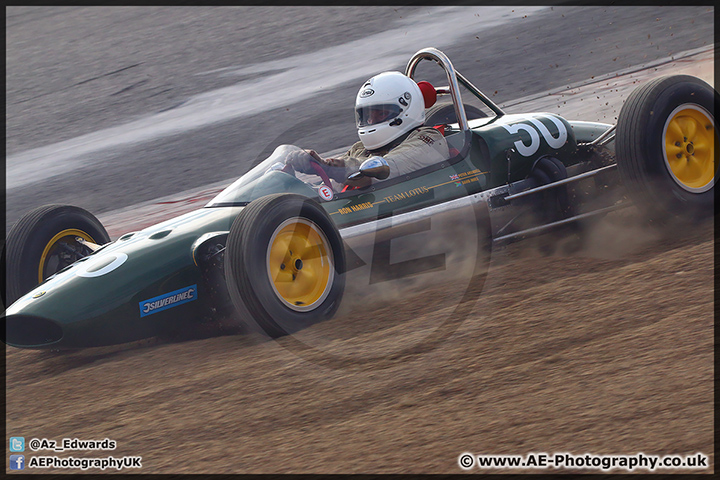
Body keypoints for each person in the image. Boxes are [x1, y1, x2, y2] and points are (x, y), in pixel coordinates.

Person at [287, 71, 449, 188]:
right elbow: (334, 179)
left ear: (406, 109)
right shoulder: (360, 149)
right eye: (367, 116)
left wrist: (326, 164)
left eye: (380, 114)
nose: (371, 121)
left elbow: (384, 168)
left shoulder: (428, 140)